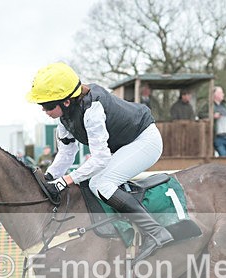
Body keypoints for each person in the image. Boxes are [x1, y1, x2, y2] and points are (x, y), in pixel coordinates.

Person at [27, 62, 172, 263]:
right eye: (41, 105)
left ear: (67, 101)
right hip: (123, 145)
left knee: (100, 183)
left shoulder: (91, 109)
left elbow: (101, 158)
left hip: (145, 140)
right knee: (90, 181)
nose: (44, 110)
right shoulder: (65, 118)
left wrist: (66, 180)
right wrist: (49, 178)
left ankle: (155, 232)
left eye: (48, 105)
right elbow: (66, 154)